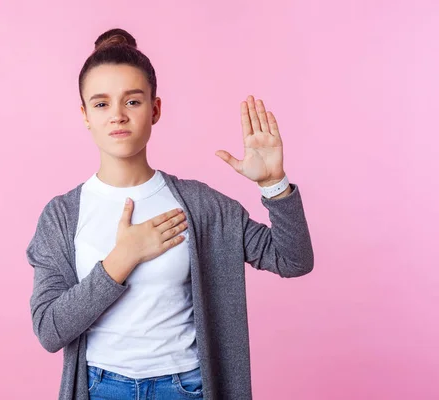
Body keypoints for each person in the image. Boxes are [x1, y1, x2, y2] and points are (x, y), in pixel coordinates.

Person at [26, 28, 314, 400]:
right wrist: (122, 259)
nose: (117, 116)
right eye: (101, 104)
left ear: (155, 109)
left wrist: (274, 184)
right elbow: (49, 330)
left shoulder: (201, 206)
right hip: (100, 388)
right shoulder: (62, 216)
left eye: (132, 101)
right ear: (85, 115)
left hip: (186, 388)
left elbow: (294, 260)